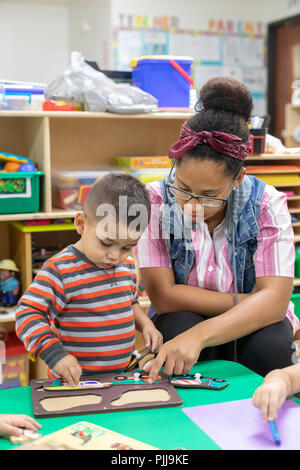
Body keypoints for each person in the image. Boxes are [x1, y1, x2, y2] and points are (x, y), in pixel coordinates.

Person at [136, 76, 299, 384]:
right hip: (185, 316)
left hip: (257, 323)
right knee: (175, 331)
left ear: (238, 180)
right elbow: (164, 297)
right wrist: (251, 299)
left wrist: (201, 334)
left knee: (271, 346)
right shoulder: (155, 200)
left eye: (209, 194)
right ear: (174, 165)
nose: (190, 203)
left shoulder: (267, 204)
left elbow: (275, 305)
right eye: (182, 187)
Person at [15, 173, 162, 386]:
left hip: (121, 376)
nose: (114, 255)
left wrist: (146, 323)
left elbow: (129, 302)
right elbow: (27, 314)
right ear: (82, 224)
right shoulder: (60, 269)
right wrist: (55, 355)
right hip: (75, 382)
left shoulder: (126, 265)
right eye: (106, 242)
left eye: (126, 247)